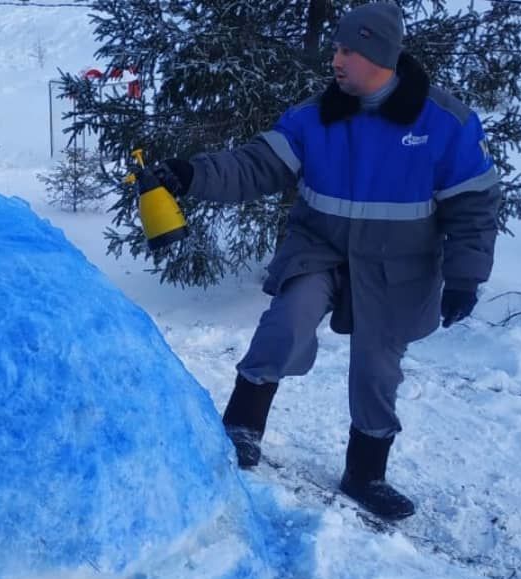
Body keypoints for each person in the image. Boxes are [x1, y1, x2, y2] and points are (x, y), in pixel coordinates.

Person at [153, 1, 499, 520]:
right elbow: (254, 166)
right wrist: (191, 174)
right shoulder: (314, 118)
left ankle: (366, 472)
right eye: (336, 47)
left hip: (397, 268)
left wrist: (465, 277)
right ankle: (242, 426)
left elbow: (474, 205)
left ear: (378, 54)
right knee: (288, 320)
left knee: (377, 369)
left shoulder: (444, 124)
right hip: (320, 250)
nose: (335, 59)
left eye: (348, 49)